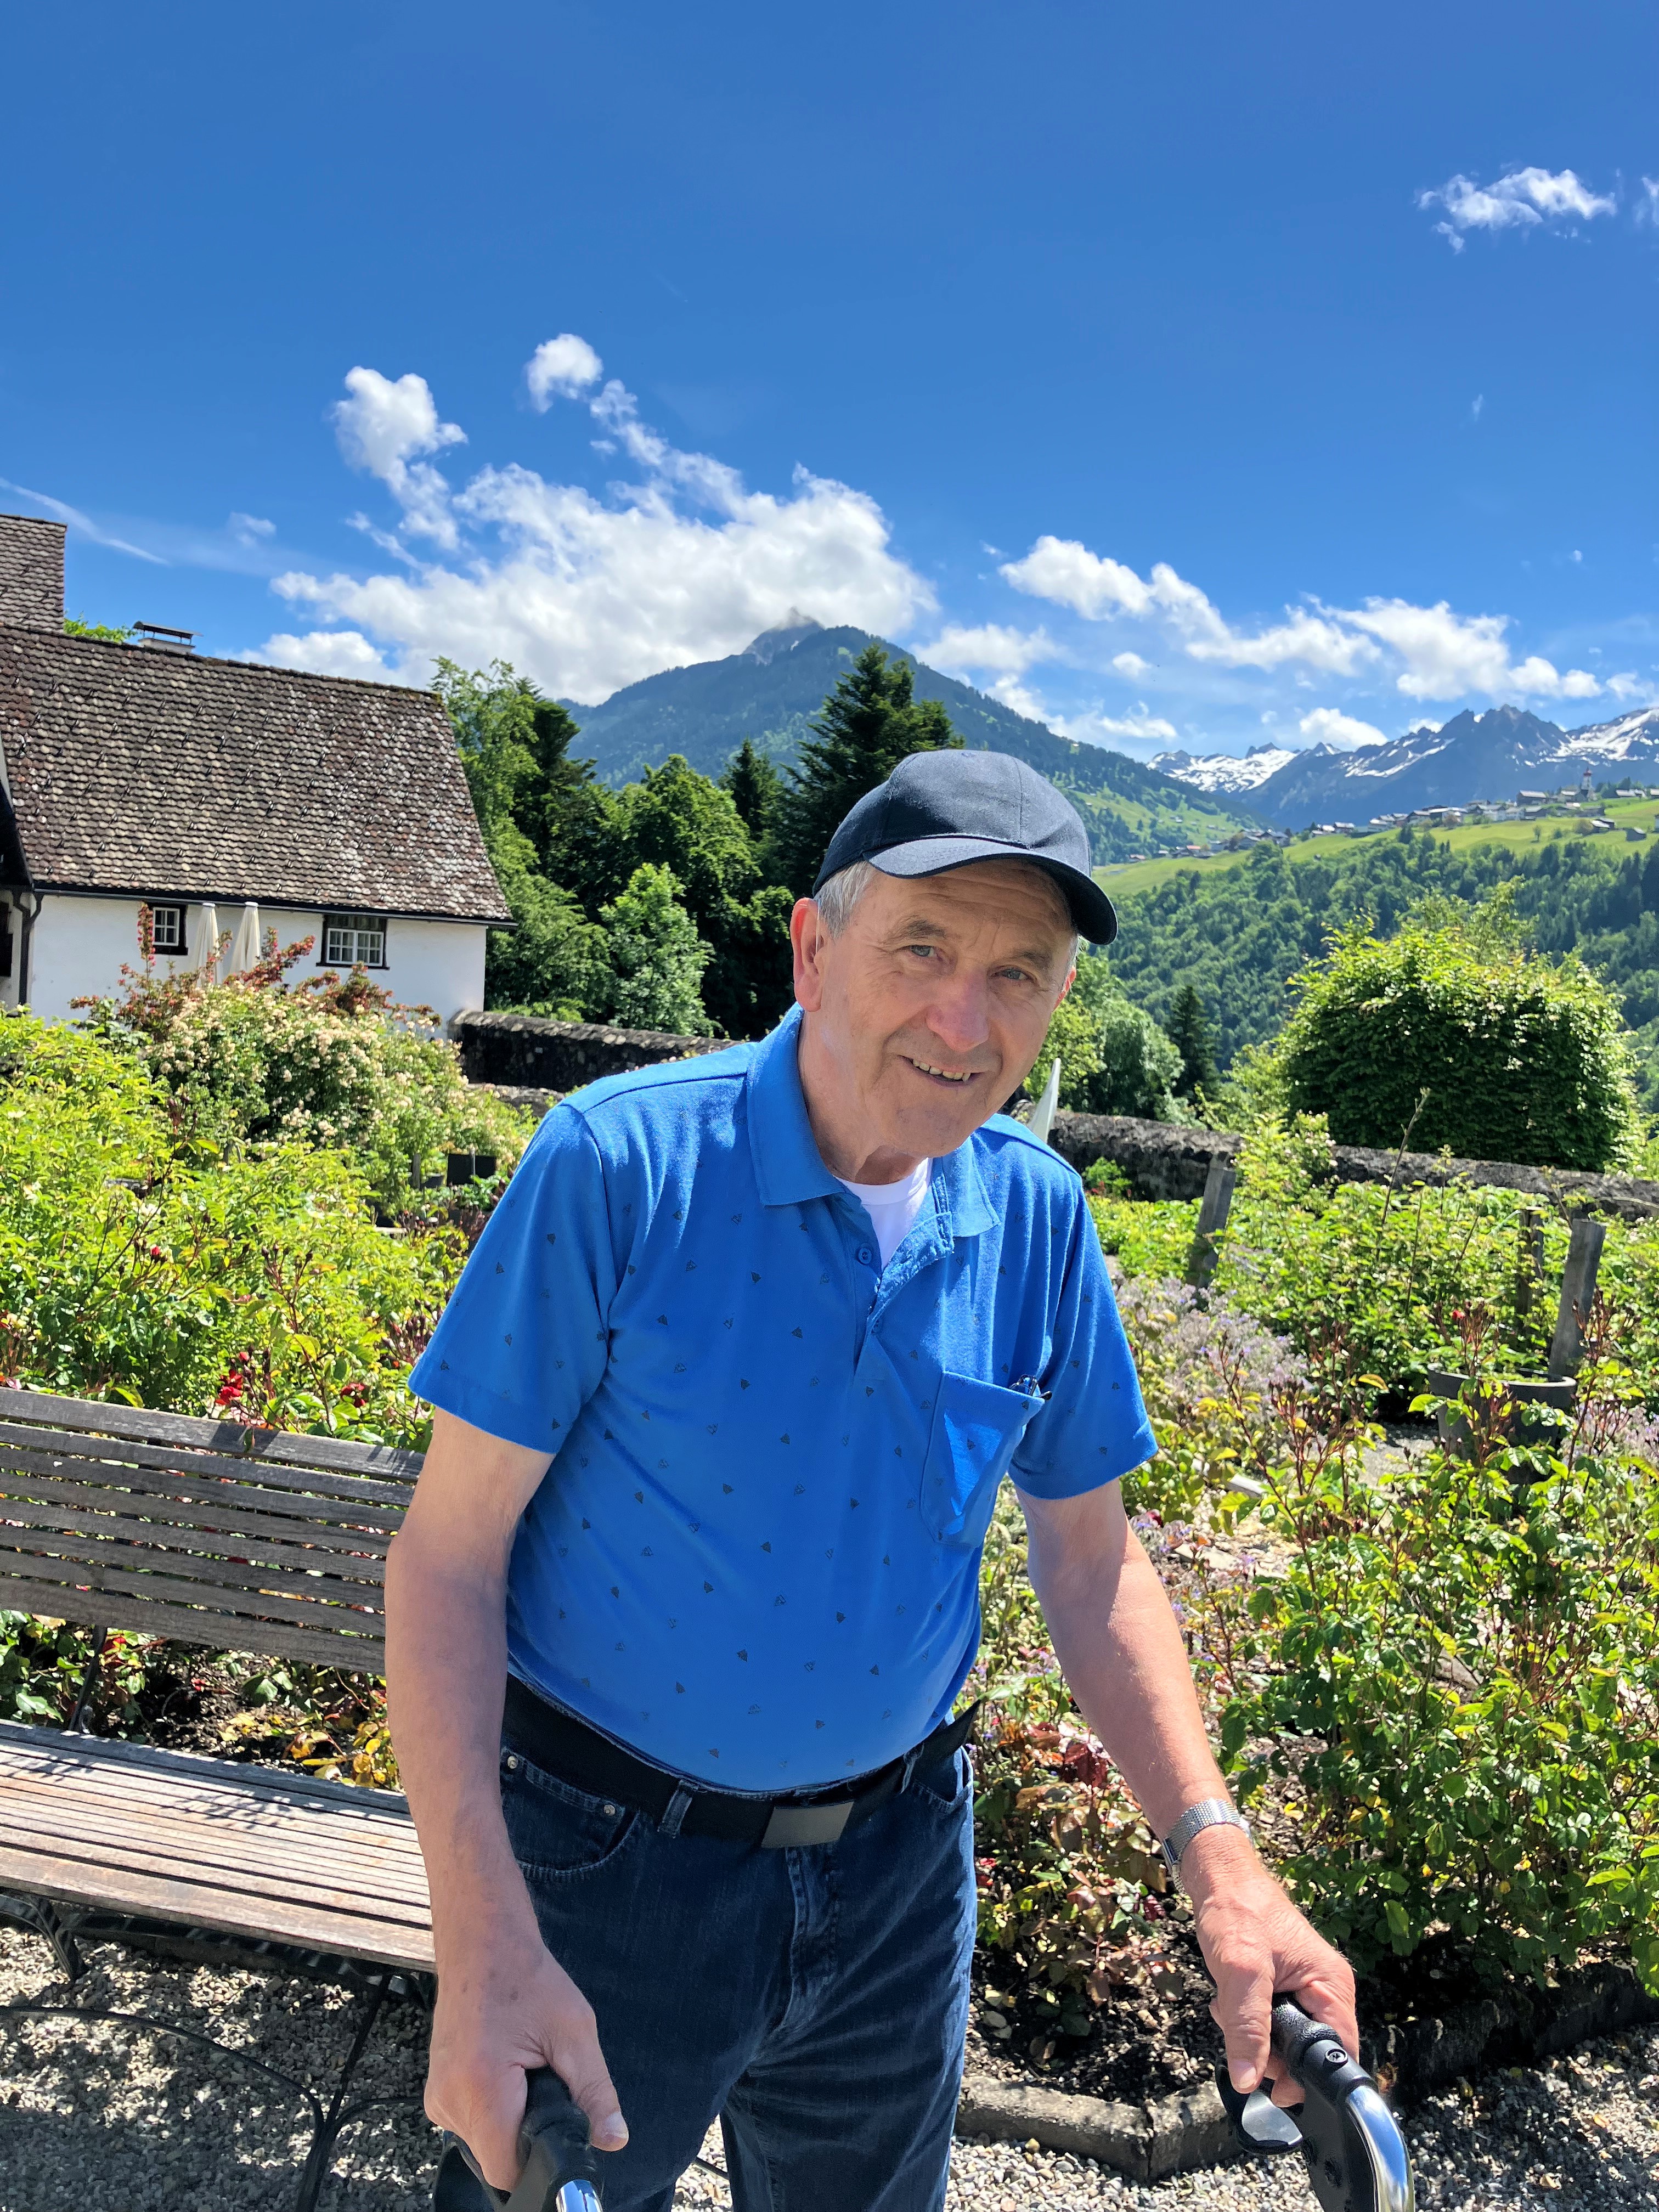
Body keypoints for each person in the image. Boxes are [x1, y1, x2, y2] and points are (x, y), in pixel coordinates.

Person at [386, 748, 1357, 2212]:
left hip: (900, 1878)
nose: (965, 1021)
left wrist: (1222, 1859)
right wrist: (482, 1933)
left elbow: (1092, 1563)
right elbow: (446, 1560)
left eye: (1018, 974)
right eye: (923, 950)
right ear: (813, 948)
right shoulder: (622, 1167)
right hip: (607, 1870)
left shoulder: (1037, 1215)